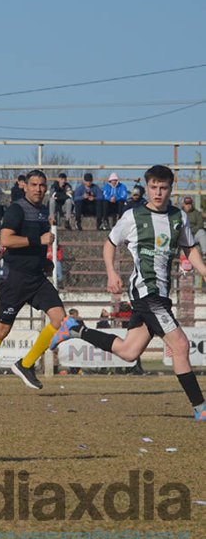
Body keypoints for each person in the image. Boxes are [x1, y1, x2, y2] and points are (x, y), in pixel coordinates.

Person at [51, 165, 206, 421]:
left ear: (170, 189)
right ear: (147, 187)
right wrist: (112, 273)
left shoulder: (179, 217)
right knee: (180, 345)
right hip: (146, 292)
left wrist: (203, 270)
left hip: (162, 294)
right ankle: (200, 408)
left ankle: (75, 329)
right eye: (153, 187)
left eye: (163, 187)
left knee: (128, 352)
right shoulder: (133, 216)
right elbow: (110, 244)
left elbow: (189, 249)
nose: (158, 192)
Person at [0, 170, 69, 398]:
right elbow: (6, 239)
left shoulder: (42, 211)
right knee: (2, 329)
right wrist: (37, 240)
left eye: (42, 185)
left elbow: (35, 247)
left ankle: (26, 364)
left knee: (60, 319)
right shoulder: (16, 209)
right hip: (14, 278)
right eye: (34, 184)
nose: (38, 189)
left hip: (37, 278)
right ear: (25, 186)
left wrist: (45, 262)